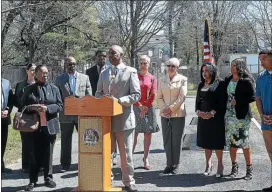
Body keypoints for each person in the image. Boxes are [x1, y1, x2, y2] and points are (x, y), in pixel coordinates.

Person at [95, 45, 140, 192]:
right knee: (107, 153)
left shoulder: (130, 72)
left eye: (113, 53)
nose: (110, 55)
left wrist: (118, 101)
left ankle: (129, 181)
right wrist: (103, 100)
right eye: (109, 53)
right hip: (107, 121)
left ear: (121, 55)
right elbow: (98, 93)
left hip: (124, 119)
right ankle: (107, 181)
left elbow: (136, 95)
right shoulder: (104, 73)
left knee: (125, 153)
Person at [21, 65, 63, 191]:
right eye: (42, 73)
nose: (45, 75)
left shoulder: (54, 88)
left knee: (48, 153)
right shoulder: (29, 89)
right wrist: (33, 108)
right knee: (33, 153)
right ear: (36, 74)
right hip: (33, 127)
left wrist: (48, 108)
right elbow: (23, 107)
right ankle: (32, 180)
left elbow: (60, 105)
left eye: (46, 73)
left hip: (49, 125)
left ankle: (48, 177)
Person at [55, 56, 92, 172]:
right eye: (69, 64)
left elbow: (89, 96)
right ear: (65, 66)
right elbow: (57, 98)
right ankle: (65, 164)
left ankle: (85, 162)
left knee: (84, 139)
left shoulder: (85, 78)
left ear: (76, 65)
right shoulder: (59, 79)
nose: (71, 66)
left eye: (73, 64)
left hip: (81, 115)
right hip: (65, 115)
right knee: (65, 140)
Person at [224, 58, 255, 180]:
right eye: (231, 65)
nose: (232, 67)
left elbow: (252, 97)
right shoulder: (228, 80)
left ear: (240, 67)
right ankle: (234, 168)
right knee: (232, 142)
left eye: (234, 65)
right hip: (229, 116)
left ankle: (249, 169)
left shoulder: (246, 81)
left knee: (244, 142)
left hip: (242, 116)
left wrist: (238, 101)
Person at [157, 58, 187, 175]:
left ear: (177, 68)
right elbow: (158, 97)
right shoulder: (161, 80)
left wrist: (171, 108)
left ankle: (175, 165)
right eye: (169, 65)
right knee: (167, 140)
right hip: (165, 114)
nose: (170, 67)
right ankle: (169, 164)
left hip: (178, 114)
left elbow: (182, 97)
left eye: (173, 66)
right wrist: (164, 109)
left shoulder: (183, 80)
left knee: (176, 140)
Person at [195, 63, 226, 178]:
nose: (204, 73)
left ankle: (220, 165)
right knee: (206, 142)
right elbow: (197, 101)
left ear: (212, 71)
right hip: (203, 118)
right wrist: (198, 112)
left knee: (217, 142)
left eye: (207, 70)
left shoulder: (220, 84)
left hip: (216, 118)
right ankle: (208, 164)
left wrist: (212, 113)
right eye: (203, 70)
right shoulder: (200, 85)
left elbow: (222, 102)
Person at [132, 55, 159, 170]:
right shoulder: (134, 76)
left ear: (149, 64)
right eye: (141, 63)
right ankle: (129, 158)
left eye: (145, 63)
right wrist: (139, 106)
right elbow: (132, 91)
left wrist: (145, 107)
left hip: (148, 108)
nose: (143, 65)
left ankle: (146, 158)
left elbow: (153, 93)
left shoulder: (152, 78)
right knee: (134, 134)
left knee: (148, 133)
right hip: (135, 107)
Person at [14, 63, 36, 173]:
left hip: (37, 116)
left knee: (37, 141)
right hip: (24, 116)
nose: (33, 72)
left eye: (35, 70)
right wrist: (24, 107)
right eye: (32, 70)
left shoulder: (39, 84)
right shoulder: (20, 85)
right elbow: (16, 100)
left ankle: (38, 164)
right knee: (26, 141)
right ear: (27, 71)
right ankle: (26, 165)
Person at [256, 50, 272, 191]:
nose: (261, 62)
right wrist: (261, 115)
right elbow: (258, 98)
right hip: (266, 122)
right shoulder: (260, 77)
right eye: (260, 59)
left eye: (264, 59)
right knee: (270, 150)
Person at [1, 78, 14, 173]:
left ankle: (1, 165)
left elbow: (11, 99)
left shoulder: (6, 82)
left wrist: (7, 110)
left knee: (3, 142)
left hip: (4, 118)